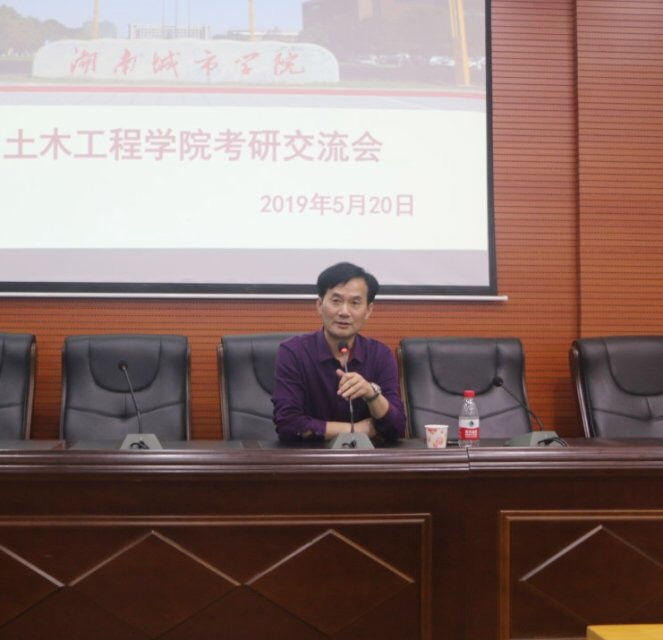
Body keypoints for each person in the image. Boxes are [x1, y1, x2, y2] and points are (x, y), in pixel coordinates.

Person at [272, 262, 406, 442]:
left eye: (355, 303)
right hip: (309, 457)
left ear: (368, 311)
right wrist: (356, 430)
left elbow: (396, 428)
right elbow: (288, 425)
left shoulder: (380, 355)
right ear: (320, 305)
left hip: (365, 458)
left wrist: (371, 394)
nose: (344, 312)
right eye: (336, 301)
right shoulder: (293, 352)